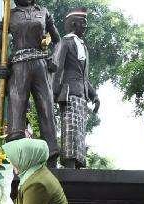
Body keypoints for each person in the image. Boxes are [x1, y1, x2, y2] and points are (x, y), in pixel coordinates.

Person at [0, 0, 61, 168]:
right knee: (16, 109)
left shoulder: (44, 12)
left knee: (46, 107)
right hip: (18, 67)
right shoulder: (10, 15)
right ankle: (15, 159)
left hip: (40, 65)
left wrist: (54, 58)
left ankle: (52, 156)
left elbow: (57, 40)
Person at [53, 7, 100, 168]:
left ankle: (78, 165)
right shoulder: (65, 42)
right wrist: (53, 94)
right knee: (70, 130)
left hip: (82, 96)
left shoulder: (83, 47)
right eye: (83, 23)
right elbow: (57, 68)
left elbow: (84, 76)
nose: (85, 26)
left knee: (79, 133)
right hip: (68, 94)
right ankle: (70, 166)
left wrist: (94, 96)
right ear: (73, 24)